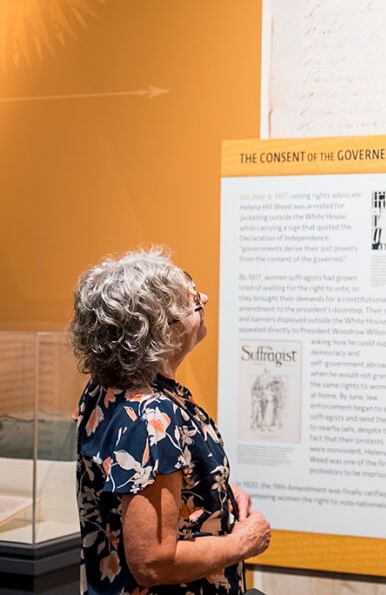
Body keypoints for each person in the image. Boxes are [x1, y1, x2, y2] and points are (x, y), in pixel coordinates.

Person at [70, 249, 270, 594]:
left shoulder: (106, 390)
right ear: (162, 329)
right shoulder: (149, 417)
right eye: (192, 299)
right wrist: (245, 542)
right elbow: (153, 561)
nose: (204, 298)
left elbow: (132, 484)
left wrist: (214, 490)